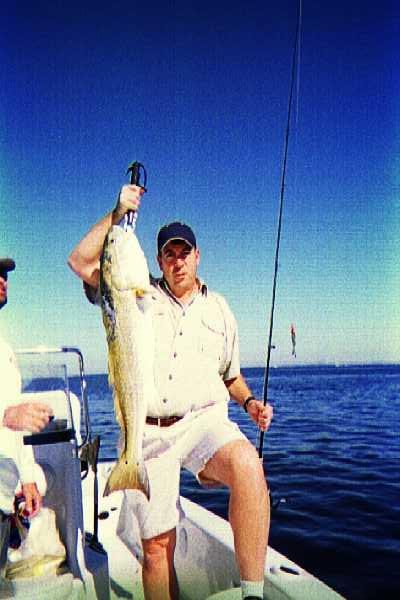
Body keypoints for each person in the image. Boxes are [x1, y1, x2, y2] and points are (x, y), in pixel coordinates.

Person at [68, 185, 273, 600]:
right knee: (157, 547)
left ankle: (254, 593)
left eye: (184, 253)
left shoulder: (220, 309)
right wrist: (116, 212)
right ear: (158, 261)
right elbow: (80, 260)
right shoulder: (136, 293)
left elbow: (230, 375)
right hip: (150, 430)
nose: (177, 261)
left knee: (249, 466)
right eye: (169, 254)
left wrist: (250, 402)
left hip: (203, 421)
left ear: (198, 257)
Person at [0, 257, 53, 581]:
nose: (3, 280)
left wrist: (29, 476)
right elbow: (8, 415)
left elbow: (13, 423)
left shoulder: (4, 348)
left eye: (4, 274)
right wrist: (5, 414)